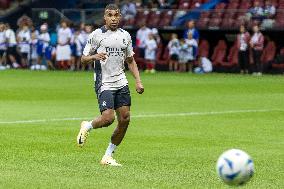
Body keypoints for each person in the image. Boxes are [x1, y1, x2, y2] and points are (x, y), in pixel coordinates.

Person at [77, 4, 144, 166]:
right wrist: (95, 56)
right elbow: (83, 58)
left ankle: (107, 156)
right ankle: (88, 125)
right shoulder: (97, 35)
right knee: (108, 118)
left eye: (116, 15)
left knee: (125, 119)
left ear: (120, 17)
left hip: (121, 81)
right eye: (110, 15)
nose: (113, 18)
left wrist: (138, 80)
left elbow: (130, 60)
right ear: (104, 17)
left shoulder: (125, 36)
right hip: (104, 81)